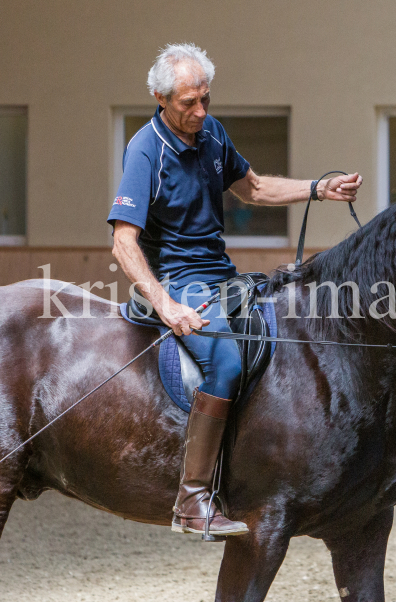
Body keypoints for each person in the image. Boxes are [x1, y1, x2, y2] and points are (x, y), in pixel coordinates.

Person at [108, 43, 361, 538]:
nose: (200, 111)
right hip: (179, 282)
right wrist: (168, 306)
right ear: (161, 98)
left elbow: (255, 188)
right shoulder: (145, 150)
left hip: (221, 274)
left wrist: (317, 189)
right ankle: (193, 500)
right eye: (188, 103)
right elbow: (122, 242)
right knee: (225, 361)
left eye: (206, 99)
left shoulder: (212, 133)